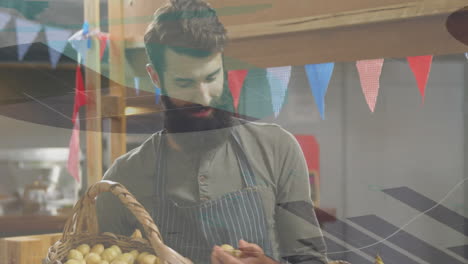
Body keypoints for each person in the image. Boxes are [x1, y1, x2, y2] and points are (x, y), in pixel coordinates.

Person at [97, 0, 329, 263]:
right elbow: (94, 256)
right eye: (185, 83)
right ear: (156, 78)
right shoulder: (125, 176)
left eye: (211, 77)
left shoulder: (277, 149)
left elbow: (311, 259)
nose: (204, 97)